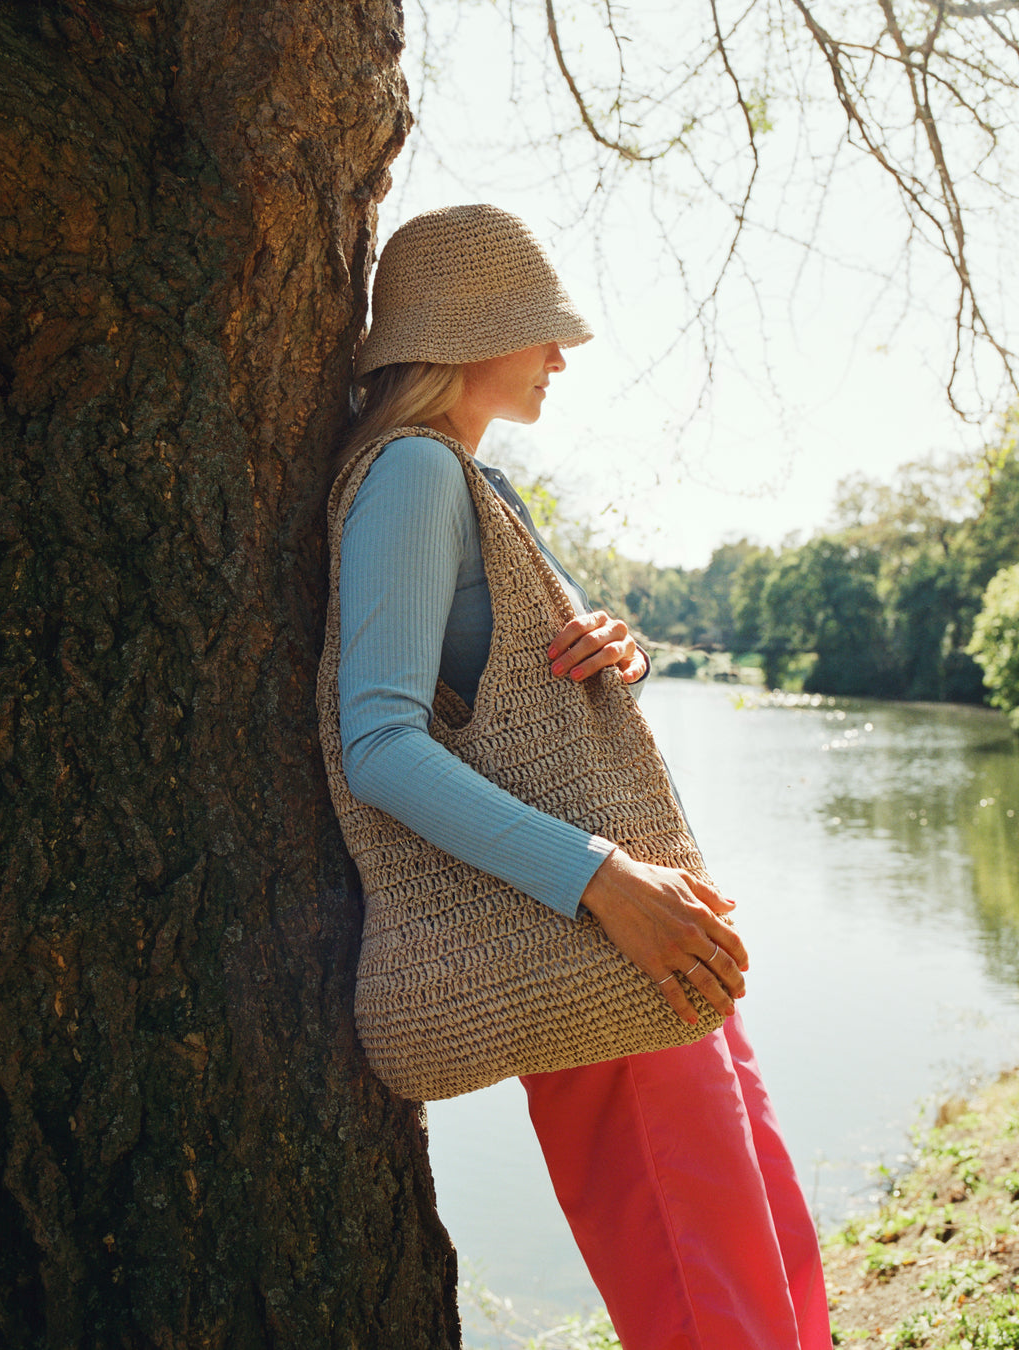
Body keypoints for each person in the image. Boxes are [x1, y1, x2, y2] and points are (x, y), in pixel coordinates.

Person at [325, 203, 833, 1349]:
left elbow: (529, 675)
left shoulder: (469, 481)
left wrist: (619, 649)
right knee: (710, 1301)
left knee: (769, 1258)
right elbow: (381, 746)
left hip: (634, 927)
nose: (561, 356)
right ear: (467, 331)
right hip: (595, 932)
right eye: (538, 329)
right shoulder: (411, 475)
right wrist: (605, 879)